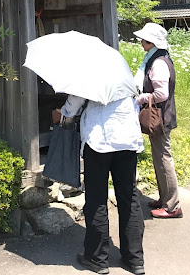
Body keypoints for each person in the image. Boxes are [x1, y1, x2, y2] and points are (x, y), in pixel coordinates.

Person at [59, 94, 145, 275]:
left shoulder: (90, 72)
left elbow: (73, 105)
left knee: (97, 198)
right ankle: (135, 259)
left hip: (99, 140)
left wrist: (63, 113)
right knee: (129, 197)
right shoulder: (123, 71)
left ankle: (97, 258)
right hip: (127, 138)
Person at [133, 22, 182, 219]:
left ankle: (172, 206)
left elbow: (161, 93)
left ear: (151, 41)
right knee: (159, 157)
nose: (140, 42)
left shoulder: (158, 62)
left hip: (161, 116)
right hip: (161, 115)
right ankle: (165, 199)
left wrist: (142, 98)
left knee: (163, 158)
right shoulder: (155, 58)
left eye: (143, 39)